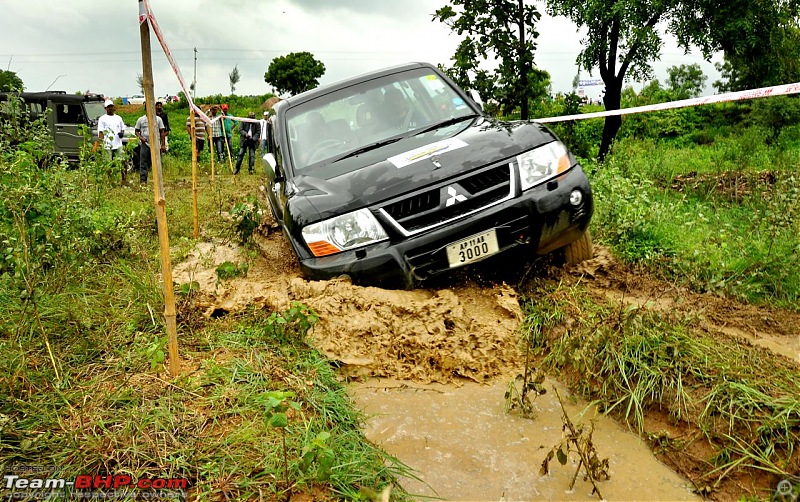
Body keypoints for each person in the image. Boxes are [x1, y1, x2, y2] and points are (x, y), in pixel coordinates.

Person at [95, 99, 127, 182]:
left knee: (123, 161)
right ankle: (111, 180)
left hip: (118, 144)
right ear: (105, 108)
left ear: (114, 107)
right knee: (108, 164)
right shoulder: (102, 119)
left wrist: (121, 133)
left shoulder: (118, 118)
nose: (110, 108)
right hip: (107, 145)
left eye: (111, 106)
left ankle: (124, 179)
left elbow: (122, 128)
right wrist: (101, 142)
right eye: (108, 107)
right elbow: (101, 132)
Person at [135, 107, 166, 184]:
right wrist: (141, 138)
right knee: (143, 162)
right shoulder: (141, 119)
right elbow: (136, 131)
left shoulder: (158, 119)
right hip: (145, 144)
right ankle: (143, 180)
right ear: (146, 110)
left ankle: (158, 180)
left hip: (156, 144)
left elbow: (162, 132)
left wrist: (163, 144)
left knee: (157, 162)